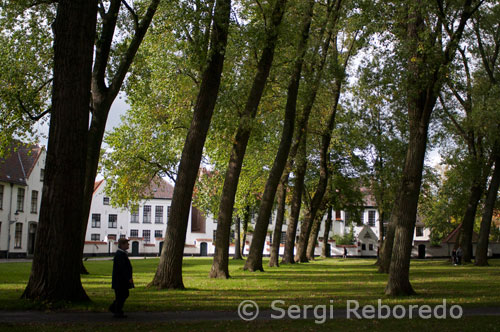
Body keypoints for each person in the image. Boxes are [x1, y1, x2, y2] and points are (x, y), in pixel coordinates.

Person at [109, 238, 134, 318]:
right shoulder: (120, 255)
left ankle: (115, 309)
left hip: (121, 280)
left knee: (123, 294)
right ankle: (116, 310)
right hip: (120, 280)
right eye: (127, 243)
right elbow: (122, 268)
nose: (128, 245)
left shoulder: (121, 254)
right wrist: (128, 277)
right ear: (122, 245)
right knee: (122, 295)